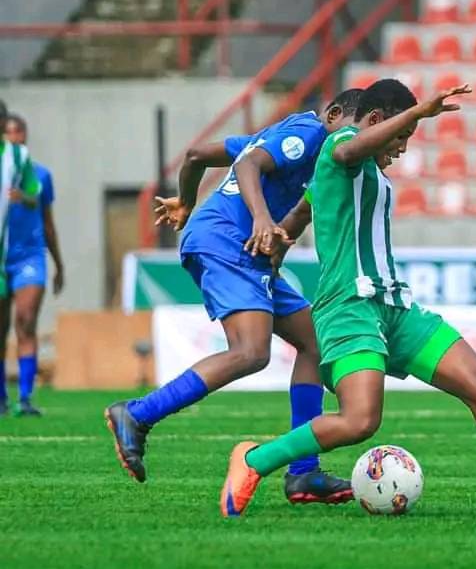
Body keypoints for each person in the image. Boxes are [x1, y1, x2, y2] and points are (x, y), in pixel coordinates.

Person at [218, 79, 476, 520]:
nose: (403, 148)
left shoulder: (359, 173)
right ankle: (254, 460)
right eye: (400, 136)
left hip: (395, 308)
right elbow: (348, 152)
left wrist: (280, 241)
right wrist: (416, 112)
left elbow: (301, 212)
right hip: (348, 307)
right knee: (359, 421)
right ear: (374, 121)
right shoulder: (343, 145)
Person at [105, 89, 364, 504]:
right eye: (357, 129)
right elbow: (247, 165)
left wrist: (186, 204)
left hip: (246, 249)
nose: (356, 143)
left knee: (315, 342)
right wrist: (262, 217)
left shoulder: (283, 138)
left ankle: (303, 473)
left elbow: (194, 156)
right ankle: (137, 414)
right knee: (250, 351)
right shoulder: (308, 133)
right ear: (333, 115)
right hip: (227, 241)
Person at [0, 113, 43, 416]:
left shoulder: (25, 162)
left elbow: (43, 210)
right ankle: (2, 398)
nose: (13, 135)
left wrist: (59, 261)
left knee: (25, 320)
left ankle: (25, 398)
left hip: (28, 255)